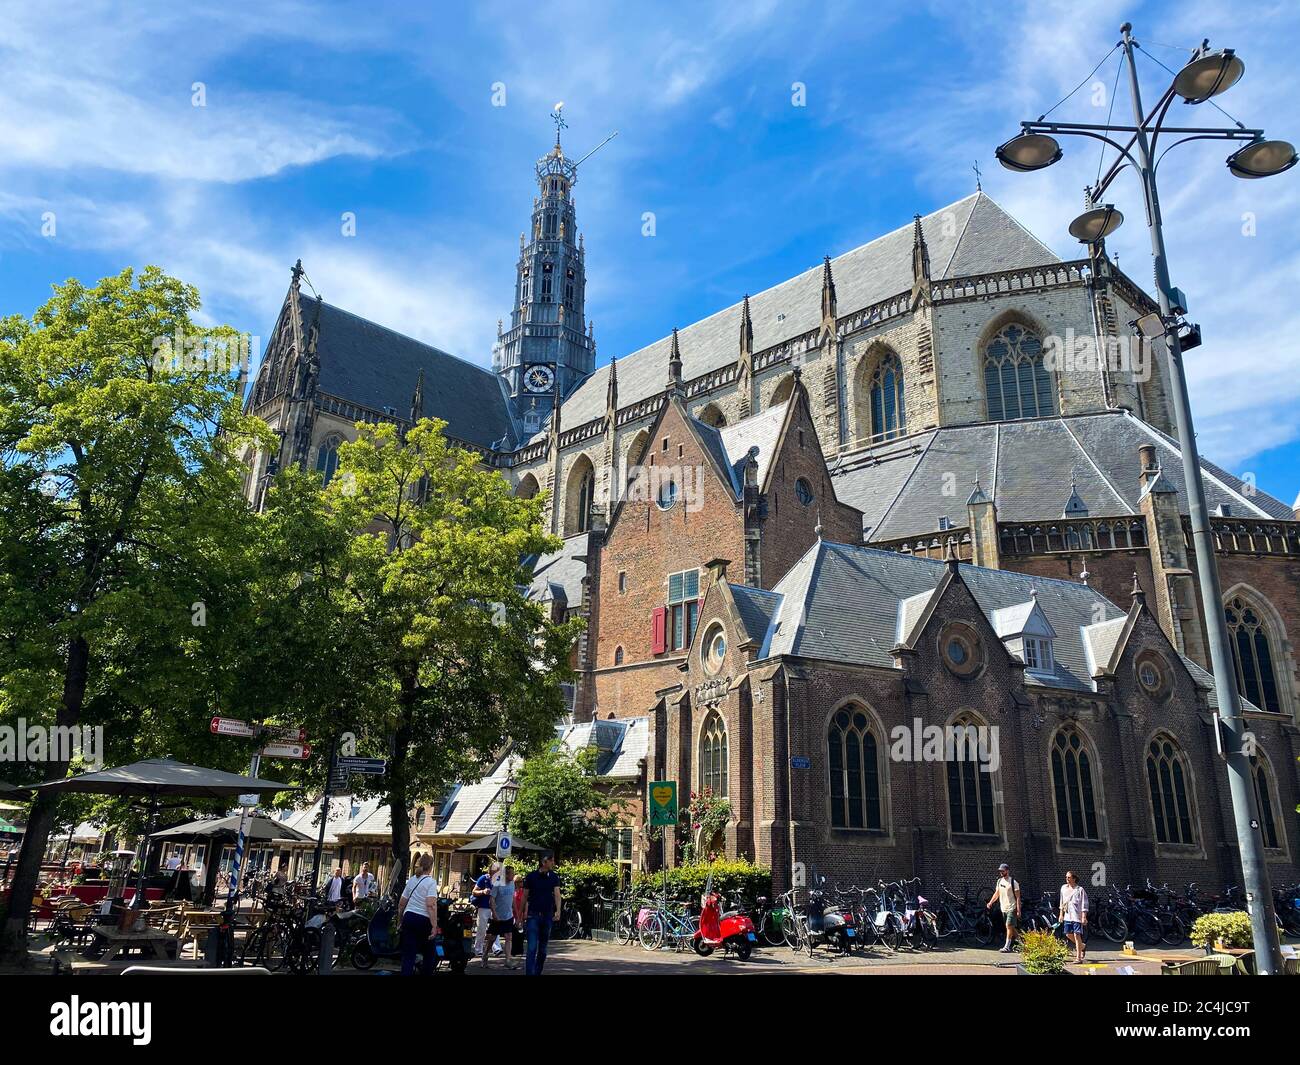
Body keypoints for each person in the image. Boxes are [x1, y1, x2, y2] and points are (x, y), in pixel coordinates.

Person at [398, 854, 439, 976]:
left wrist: (400, 921)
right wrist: (434, 925)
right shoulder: (431, 882)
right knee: (429, 953)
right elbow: (430, 905)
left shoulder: (411, 880)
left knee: (408, 955)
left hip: (409, 917)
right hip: (423, 920)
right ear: (431, 867)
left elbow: (401, 904)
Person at [523, 851, 562, 976]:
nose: (553, 863)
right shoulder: (531, 877)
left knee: (543, 950)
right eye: (551, 860)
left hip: (547, 916)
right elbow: (524, 896)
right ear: (544, 862)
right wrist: (520, 914)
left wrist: (558, 910)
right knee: (532, 947)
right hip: (533, 915)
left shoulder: (554, 877)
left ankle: (537, 972)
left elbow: (557, 894)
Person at [483, 863, 517, 968]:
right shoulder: (498, 884)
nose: (513, 876)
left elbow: (513, 899)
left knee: (508, 937)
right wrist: (494, 913)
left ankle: (508, 960)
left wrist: (516, 913)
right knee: (492, 938)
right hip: (498, 916)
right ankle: (485, 955)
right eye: (512, 874)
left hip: (508, 915)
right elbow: (492, 899)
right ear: (506, 875)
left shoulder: (512, 884)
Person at [986, 862, 1021, 953]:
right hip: (1003, 908)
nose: (1001, 872)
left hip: (1011, 908)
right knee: (1011, 927)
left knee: (1008, 926)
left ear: (1007, 871)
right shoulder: (999, 881)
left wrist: (1018, 910)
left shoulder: (1013, 882)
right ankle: (1022, 943)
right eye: (1000, 871)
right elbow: (997, 893)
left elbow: (1018, 898)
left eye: (1003, 870)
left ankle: (1007, 946)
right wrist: (990, 902)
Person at [1058, 870, 1089, 963]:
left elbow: (1084, 903)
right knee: (1068, 934)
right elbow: (1062, 902)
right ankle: (1082, 946)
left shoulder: (1080, 890)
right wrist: (1061, 914)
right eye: (1066, 877)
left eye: (1069, 877)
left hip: (1077, 916)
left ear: (1074, 878)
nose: (1067, 879)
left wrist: (1084, 916)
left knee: (1077, 935)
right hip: (1067, 915)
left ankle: (1078, 957)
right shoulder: (1063, 888)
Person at [471, 860, 500, 959]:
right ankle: (478, 949)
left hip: (495, 907)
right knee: (481, 929)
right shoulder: (483, 878)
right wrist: (483, 891)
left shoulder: (499, 880)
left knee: (495, 928)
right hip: (484, 906)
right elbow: (474, 891)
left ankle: (496, 948)